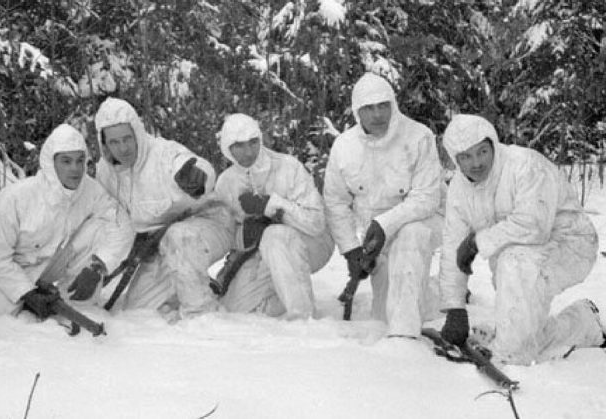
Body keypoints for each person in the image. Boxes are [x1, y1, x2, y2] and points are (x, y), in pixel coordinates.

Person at [438, 114, 605, 364]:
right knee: (523, 325)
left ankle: (509, 353)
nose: (476, 163)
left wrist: (477, 243)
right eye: (466, 156)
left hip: (570, 243)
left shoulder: (524, 164)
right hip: (518, 254)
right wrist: (455, 308)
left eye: (482, 152)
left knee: (514, 264)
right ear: (455, 160)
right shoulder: (459, 190)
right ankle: (584, 322)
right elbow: (453, 246)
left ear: (493, 144)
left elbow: (534, 226)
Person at [323, 72, 444, 338]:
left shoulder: (419, 137)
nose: (377, 115)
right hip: (374, 239)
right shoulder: (344, 147)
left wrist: (385, 224)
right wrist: (351, 249)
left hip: (422, 221)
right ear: (357, 112)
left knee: (410, 239)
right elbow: (335, 202)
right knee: (383, 313)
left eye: (383, 105)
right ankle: (434, 294)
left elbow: (426, 198)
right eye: (368, 108)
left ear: (393, 104)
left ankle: (404, 336)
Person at [93, 97, 232, 320]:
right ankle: (196, 285)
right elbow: (113, 221)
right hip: (158, 244)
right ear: (104, 143)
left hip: (210, 224)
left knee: (179, 237)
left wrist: (196, 177)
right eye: (114, 142)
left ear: (137, 133)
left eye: (127, 138)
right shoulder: (105, 174)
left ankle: (202, 315)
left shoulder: (163, 154)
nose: (123, 148)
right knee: (138, 310)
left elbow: (194, 165)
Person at [0, 124, 133, 319]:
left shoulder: (90, 190)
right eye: (66, 161)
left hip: (54, 264)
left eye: (80, 160)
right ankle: (27, 303)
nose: (75, 169)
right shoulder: (15, 198)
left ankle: (77, 303)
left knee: (101, 227)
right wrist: (27, 293)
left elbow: (122, 223)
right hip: (15, 270)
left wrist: (97, 266)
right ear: (51, 162)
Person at [213, 114, 334, 319]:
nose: (249, 151)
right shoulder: (226, 183)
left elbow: (316, 223)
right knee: (235, 307)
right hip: (261, 251)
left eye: (253, 142)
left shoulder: (288, 167)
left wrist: (271, 206)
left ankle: (303, 318)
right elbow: (225, 234)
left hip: (314, 244)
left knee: (275, 235)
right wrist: (246, 235)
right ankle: (288, 290)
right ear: (227, 148)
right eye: (239, 146)